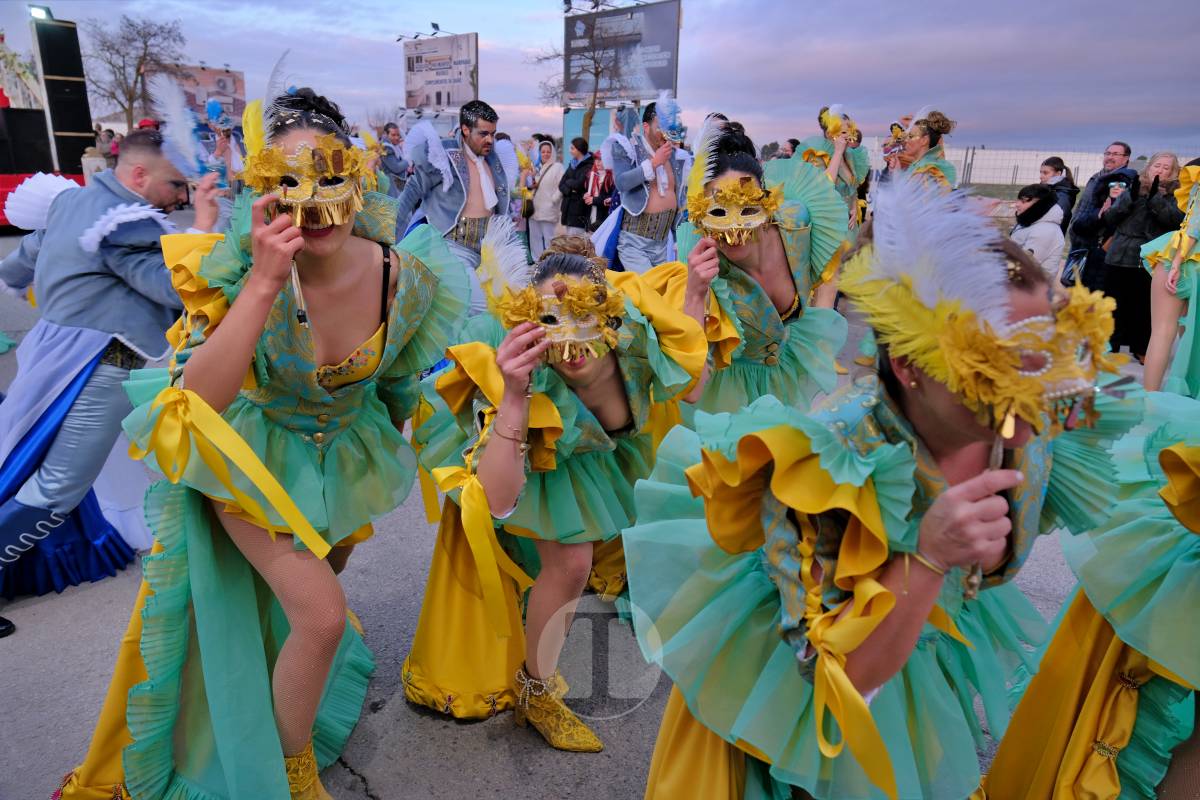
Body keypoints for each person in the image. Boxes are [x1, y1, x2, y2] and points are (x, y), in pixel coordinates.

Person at [625, 180, 1121, 799]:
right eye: (991, 367)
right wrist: (931, 556)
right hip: (802, 698)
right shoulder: (825, 466)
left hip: (919, 650)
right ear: (910, 367)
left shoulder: (1035, 410)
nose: (1030, 395)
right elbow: (840, 679)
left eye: (1042, 354)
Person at [55, 86, 468, 800]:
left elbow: (397, 384)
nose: (311, 199)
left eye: (329, 173)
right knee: (322, 613)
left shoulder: (409, 279)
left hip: (341, 464)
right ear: (261, 193)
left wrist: (402, 463)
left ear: (360, 175)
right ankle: (289, 771)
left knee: (304, 602)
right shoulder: (245, 271)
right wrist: (265, 284)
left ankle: (272, 696)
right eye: (287, 182)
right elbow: (200, 403)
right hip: (248, 464)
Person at [402, 224, 706, 753]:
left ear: (609, 315)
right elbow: (497, 500)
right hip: (515, 443)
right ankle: (535, 692)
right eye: (548, 319)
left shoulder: (637, 336)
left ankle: (535, 648)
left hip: (595, 452)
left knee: (568, 564)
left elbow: (694, 380)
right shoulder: (526, 367)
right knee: (568, 564)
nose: (567, 339)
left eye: (582, 315)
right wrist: (516, 397)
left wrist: (697, 294)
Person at [0, 129, 221, 602]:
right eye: (172, 185)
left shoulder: (74, 201)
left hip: (53, 352)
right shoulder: (126, 221)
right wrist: (202, 227)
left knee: (103, 464)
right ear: (138, 175)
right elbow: (170, 289)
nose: (177, 197)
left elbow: (17, 266)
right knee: (59, 485)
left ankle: (148, 540)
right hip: (100, 365)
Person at [645, 119, 849, 416]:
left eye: (748, 208)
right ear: (701, 216)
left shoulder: (799, 222)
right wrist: (694, 294)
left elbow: (829, 274)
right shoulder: (701, 261)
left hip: (784, 376)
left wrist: (823, 314)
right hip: (726, 398)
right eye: (718, 212)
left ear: (766, 203)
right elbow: (692, 388)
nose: (734, 227)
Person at [396, 99, 514, 315]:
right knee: (480, 309)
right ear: (465, 130)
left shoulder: (493, 158)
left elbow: (502, 202)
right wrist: (391, 238)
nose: (490, 139)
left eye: (493, 133)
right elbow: (410, 195)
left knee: (504, 308)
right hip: (451, 248)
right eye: (483, 133)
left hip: (487, 249)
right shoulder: (442, 154)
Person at [1102, 152, 1183, 362]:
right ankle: (1109, 344)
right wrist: (1130, 196)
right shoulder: (1134, 187)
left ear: (1174, 172)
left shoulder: (1177, 193)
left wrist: (1156, 196)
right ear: (1149, 167)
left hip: (1150, 257)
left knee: (1144, 307)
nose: (1161, 170)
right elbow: (1111, 218)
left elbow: (1173, 220)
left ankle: (1141, 348)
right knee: (1112, 303)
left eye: (1167, 167)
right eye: (1158, 165)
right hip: (1120, 253)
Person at [602, 93, 691, 272]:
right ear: (646, 127)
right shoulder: (627, 147)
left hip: (664, 243)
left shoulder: (677, 157)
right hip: (634, 243)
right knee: (647, 292)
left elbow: (681, 198)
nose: (665, 134)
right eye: (660, 127)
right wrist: (653, 163)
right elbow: (621, 182)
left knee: (663, 294)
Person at [1142, 157, 1200, 394]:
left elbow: (1194, 224)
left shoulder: (1197, 174)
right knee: (1192, 338)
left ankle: (1149, 400)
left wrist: (1176, 261)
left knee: (1162, 332)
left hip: (1183, 257)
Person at [1070, 141, 1138, 290]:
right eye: (1107, 153)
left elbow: (1111, 216)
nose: (1109, 157)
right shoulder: (1097, 177)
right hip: (1081, 239)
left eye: (1115, 154)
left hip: (1100, 246)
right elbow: (1084, 207)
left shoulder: (1123, 182)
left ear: (1126, 159)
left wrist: (1097, 218)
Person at [1010, 182, 1066, 280]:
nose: (1017, 205)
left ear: (1040, 204)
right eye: (1018, 200)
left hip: (1032, 289)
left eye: (1024, 201)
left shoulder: (1045, 231)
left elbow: (1025, 267)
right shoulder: (1031, 222)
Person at [900, 110, 958, 188]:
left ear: (924, 140)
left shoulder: (928, 169)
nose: (905, 140)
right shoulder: (919, 165)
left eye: (911, 136)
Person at [528, 139, 564, 259]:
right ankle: (537, 262)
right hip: (533, 209)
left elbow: (562, 186)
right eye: (543, 152)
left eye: (548, 152)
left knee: (550, 238)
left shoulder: (557, 167)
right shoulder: (536, 168)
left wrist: (554, 200)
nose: (546, 154)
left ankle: (551, 262)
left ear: (552, 152)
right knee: (535, 238)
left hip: (548, 209)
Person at [557, 136, 594, 237]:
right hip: (568, 209)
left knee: (576, 244)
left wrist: (568, 182)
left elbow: (579, 185)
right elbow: (561, 184)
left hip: (579, 211)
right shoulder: (572, 164)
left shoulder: (589, 166)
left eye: (572, 148)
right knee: (570, 242)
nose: (570, 151)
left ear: (579, 149)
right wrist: (570, 190)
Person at [1040, 155, 1079, 233]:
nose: (1041, 176)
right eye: (1041, 172)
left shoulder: (1061, 196)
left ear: (1058, 173)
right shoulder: (1050, 190)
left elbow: (1060, 221)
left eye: (1045, 173)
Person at [583, 150, 613, 231]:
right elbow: (588, 192)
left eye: (600, 159)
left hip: (604, 215)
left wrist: (594, 199)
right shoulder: (592, 175)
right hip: (592, 213)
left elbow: (611, 198)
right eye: (596, 159)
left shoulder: (611, 177)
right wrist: (586, 195)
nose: (597, 162)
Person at [379, 121, 409, 199]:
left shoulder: (395, 145)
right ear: (386, 134)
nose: (396, 137)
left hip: (396, 184)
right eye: (393, 135)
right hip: (391, 186)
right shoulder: (386, 148)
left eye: (398, 135)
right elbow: (396, 168)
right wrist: (409, 160)